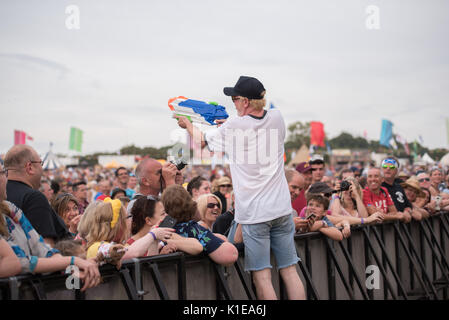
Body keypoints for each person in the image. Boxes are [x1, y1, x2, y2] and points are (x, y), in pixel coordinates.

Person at [175, 76, 305, 300]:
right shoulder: (277, 117)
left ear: (245, 101)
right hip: (282, 209)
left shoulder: (234, 126)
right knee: (290, 270)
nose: (233, 103)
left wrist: (187, 125)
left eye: (235, 99)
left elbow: (202, 141)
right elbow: (253, 131)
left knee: (262, 276)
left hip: (255, 214)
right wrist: (227, 127)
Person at [0, 162, 100, 290]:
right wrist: (71, 261)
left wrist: (69, 266)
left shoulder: (9, 209)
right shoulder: (31, 199)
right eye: (3, 172)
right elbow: (18, 262)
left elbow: (41, 247)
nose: (6, 178)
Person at [4, 145, 71, 246]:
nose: (42, 169)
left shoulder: (4, 194)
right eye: (41, 163)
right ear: (30, 167)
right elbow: (46, 248)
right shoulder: (33, 198)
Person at [84, 198, 175, 267]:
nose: (130, 222)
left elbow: (149, 266)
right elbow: (129, 253)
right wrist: (152, 235)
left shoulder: (114, 244)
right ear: (115, 225)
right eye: (126, 218)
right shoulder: (96, 247)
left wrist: (154, 240)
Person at [161, 185, 238, 266]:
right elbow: (198, 247)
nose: (216, 208)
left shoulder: (189, 227)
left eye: (218, 205)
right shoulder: (192, 229)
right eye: (211, 205)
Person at [128, 196, 203, 256]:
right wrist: (161, 255)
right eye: (163, 214)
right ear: (148, 220)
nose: (167, 216)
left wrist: (167, 242)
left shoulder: (164, 234)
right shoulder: (129, 246)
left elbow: (198, 247)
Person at [380, 157, 412, 223]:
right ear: (381, 169)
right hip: (385, 228)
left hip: (401, 227)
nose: (388, 169)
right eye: (385, 166)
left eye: (391, 167)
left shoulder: (399, 187)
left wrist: (407, 211)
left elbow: (408, 205)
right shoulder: (378, 187)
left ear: (397, 171)